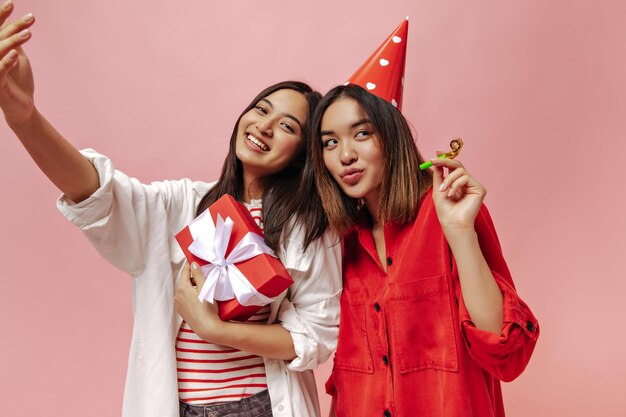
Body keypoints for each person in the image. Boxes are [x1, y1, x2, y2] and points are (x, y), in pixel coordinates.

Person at [0, 4, 341, 417]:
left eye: (288, 126)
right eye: (261, 109)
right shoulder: (181, 204)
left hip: (259, 407)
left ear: (301, 156)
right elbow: (94, 193)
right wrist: (24, 117)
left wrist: (215, 329)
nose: (265, 126)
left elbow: (316, 336)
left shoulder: (307, 228)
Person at [310, 83, 539, 417]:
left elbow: (503, 350)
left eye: (361, 134)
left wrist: (459, 231)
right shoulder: (342, 241)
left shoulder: (448, 212)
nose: (345, 155)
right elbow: (347, 377)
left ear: (392, 136)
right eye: (330, 142)